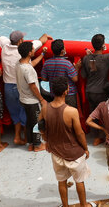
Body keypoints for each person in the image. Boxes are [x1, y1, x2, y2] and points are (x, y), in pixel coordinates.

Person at [40, 76, 92, 207]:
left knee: (61, 181)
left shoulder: (45, 108)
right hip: (73, 153)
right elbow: (80, 133)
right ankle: (84, 205)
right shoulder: (71, 111)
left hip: (56, 152)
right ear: (66, 91)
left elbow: (41, 126)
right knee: (79, 181)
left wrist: (46, 141)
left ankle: (65, 205)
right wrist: (85, 148)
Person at [0, 31, 51, 145]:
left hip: (8, 87)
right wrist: (46, 37)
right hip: (20, 87)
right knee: (26, 113)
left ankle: (17, 136)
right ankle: (29, 140)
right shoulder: (25, 55)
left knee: (15, 114)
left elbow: (1, 37)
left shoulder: (5, 47)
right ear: (21, 41)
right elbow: (43, 38)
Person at [81, 34, 109, 146]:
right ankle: (102, 136)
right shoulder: (106, 58)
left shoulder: (86, 58)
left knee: (93, 115)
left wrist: (89, 58)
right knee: (104, 116)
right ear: (104, 46)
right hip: (101, 93)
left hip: (89, 92)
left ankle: (96, 137)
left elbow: (84, 75)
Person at [15, 41, 47, 152]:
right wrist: (42, 99)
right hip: (32, 101)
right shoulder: (27, 69)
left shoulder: (19, 63)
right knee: (37, 122)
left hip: (23, 99)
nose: (34, 50)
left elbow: (30, 64)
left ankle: (31, 143)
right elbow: (33, 86)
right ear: (29, 53)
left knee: (29, 122)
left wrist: (42, 55)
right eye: (33, 49)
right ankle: (38, 145)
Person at [40, 39, 82, 109]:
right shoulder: (67, 63)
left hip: (54, 94)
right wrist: (77, 68)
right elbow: (75, 79)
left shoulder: (47, 63)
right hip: (69, 94)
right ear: (62, 50)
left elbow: (44, 78)